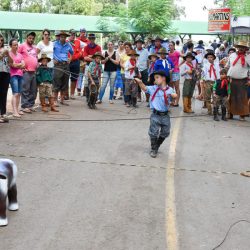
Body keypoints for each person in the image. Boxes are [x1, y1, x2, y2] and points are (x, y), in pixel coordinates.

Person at [134, 70, 177, 158]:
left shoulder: (170, 90)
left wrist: (174, 96)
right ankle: (154, 148)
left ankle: (157, 144)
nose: (155, 80)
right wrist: (140, 82)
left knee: (165, 132)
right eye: (154, 78)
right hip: (155, 115)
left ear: (164, 78)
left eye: (157, 78)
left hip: (165, 115)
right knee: (153, 133)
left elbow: (173, 97)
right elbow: (145, 88)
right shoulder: (153, 88)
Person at [226, 41, 250, 121]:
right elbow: (227, 66)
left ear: (245, 49)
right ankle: (230, 114)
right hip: (231, 79)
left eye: (243, 47)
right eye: (239, 47)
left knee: (242, 98)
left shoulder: (248, 57)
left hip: (243, 81)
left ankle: (242, 115)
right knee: (231, 98)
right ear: (237, 47)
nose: (241, 48)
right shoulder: (232, 55)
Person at [18, 31, 38, 113]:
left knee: (33, 90)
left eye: (33, 38)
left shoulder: (34, 47)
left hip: (34, 71)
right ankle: (24, 106)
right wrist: (21, 67)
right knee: (25, 89)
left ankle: (30, 105)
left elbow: (36, 57)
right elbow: (17, 55)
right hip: (26, 71)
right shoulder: (22, 46)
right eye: (30, 38)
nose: (31, 40)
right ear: (27, 38)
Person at [53, 31, 73, 106]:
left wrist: (70, 59)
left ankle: (62, 100)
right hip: (58, 65)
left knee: (65, 82)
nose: (63, 38)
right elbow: (50, 52)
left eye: (64, 37)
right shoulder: (54, 44)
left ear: (66, 37)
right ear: (59, 37)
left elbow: (72, 53)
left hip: (66, 65)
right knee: (56, 82)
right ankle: (55, 100)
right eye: (61, 36)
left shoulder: (68, 44)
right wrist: (53, 59)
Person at [82, 33, 102, 103]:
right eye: (90, 38)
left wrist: (90, 56)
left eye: (93, 38)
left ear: (94, 39)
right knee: (87, 83)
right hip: (88, 65)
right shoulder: (86, 47)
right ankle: (88, 98)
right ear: (89, 39)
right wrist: (94, 58)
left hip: (97, 66)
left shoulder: (98, 47)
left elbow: (99, 57)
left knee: (97, 82)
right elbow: (85, 58)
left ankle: (94, 98)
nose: (91, 40)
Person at [9, 38, 25, 118]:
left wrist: (17, 64)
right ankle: (14, 111)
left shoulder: (20, 54)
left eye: (17, 45)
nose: (16, 46)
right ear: (10, 46)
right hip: (13, 75)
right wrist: (19, 65)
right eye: (14, 45)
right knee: (15, 93)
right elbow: (12, 65)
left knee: (19, 93)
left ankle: (17, 110)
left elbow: (24, 64)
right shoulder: (9, 54)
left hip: (20, 75)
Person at [0, 34, 12, 123]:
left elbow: (11, 62)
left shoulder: (5, 50)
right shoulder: (2, 52)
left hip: (5, 73)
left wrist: (8, 54)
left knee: (4, 93)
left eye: (1, 40)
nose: (0, 42)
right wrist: (2, 54)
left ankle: (3, 113)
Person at [68, 29, 82, 99]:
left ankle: (72, 94)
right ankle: (65, 94)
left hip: (76, 62)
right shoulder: (66, 42)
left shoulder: (78, 42)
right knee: (65, 78)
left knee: (74, 78)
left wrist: (74, 57)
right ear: (69, 34)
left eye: (74, 34)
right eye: (71, 34)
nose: (73, 36)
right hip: (67, 62)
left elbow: (80, 52)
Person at [135, 37, 149, 102]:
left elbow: (148, 60)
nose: (139, 44)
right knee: (137, 83)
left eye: (140, 43)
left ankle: (147, 97)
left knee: (146, 83)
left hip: (144, 69)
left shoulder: (146, 51)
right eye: (138, 43)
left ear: (142, 44)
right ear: (136, 44)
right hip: (137, 69)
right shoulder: (134, 51)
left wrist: (147, 69)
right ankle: (139, 97)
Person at [168, 41, 181, 106]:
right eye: (169, 45)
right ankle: (172, 101)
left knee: (177, 87)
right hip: (170, 72)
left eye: (171, 45)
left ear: (174, 46)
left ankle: (177, 102)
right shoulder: (167, 53)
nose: (170, 46)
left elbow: (184, 57)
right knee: (171, 87)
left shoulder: (177, 53)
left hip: (176, 72)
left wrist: (179, 65)